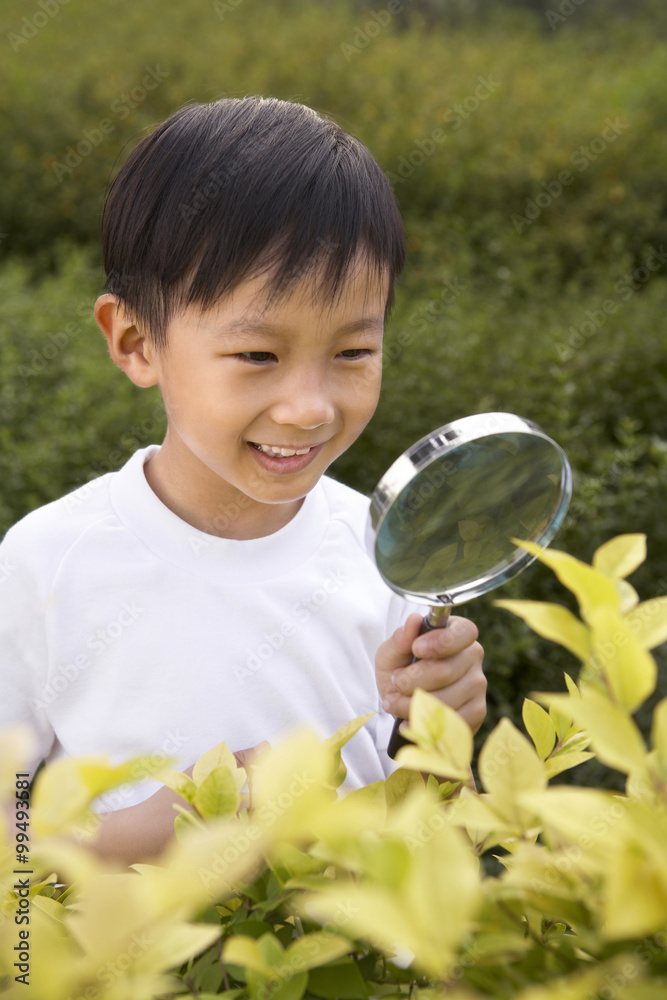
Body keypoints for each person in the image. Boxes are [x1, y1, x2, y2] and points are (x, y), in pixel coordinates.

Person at [0, 97, 485, 865]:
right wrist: (155, 833)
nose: (308, 407)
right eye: (258, 355)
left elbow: (413, 839)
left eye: (353, 352)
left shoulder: (385, 552)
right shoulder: (47, 563)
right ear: (135, 343)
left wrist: (441, 737)